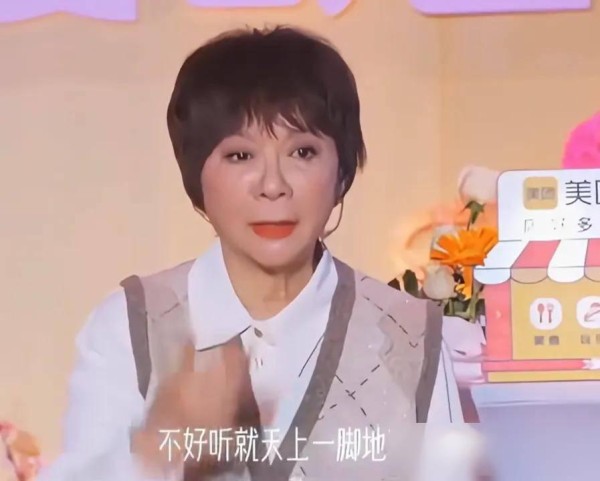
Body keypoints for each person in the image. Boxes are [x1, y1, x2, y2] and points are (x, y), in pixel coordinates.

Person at [38, 26, 464, 481]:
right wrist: (158, 445)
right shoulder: (130, 326)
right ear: (196, 177)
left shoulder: (409, 337)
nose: (273, 185)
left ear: (341, 172)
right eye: (240, 156)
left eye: (303, 152)